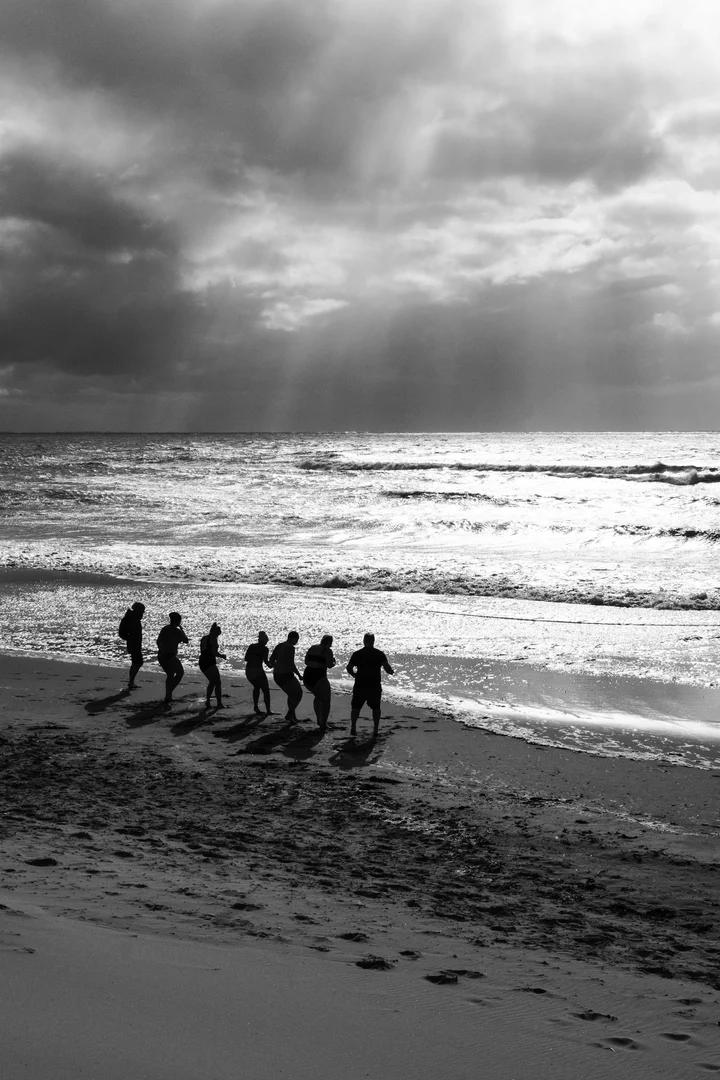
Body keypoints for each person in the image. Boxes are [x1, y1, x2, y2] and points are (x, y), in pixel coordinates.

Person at [346, 633, 394, 740]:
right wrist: (391, 671)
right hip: (374, 685)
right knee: (376, 708)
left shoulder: (357, 654)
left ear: (364, 641)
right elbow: (387, 668)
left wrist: (355, 675)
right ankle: (376, 729)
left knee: (356, 707)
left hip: (360, 684)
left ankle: (353, 727)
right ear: (373, 641)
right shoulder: (379, 654)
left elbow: (349, 667)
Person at [302, 634, 336, 734]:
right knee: (326, 701)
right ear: (330, 642)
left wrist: (316, 662)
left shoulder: (313, 647)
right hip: (319, 676)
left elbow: (306, 661)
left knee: (318, 697)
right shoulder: (328, 651)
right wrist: (334, 662)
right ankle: (323, 723)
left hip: (307, 675)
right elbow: (329, 665)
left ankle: (318, 719)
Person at [269, 631, 303, 722]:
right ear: (293, 638)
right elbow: (291, 664)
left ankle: (292, 716)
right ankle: (290, 714)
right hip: (286, 675)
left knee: (292, 694)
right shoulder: (290, 648)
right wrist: (299, 675)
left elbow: (271, 660)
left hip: (277, 675)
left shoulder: (280, 645)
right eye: (297, 639)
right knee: (298, 693)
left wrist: (277, 666)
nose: (297, 641)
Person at [156, 611, 189, 707]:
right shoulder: (177, 630)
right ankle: (168, 693)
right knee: (180, 673)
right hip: (170, 655)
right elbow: (186, 640)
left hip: (162, 655)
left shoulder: (165, 629)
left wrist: (162, 649)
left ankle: (168, 695)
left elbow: (158, 641)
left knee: (170, 675)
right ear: (178, 621)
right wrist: (182, 629)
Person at [244, 631, 272, 716]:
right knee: (266, 690)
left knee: (257, 687)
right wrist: (273, 665)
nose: (267, 642)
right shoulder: (265, 649)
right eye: (266, 640)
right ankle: (268, 710)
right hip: (258, 671)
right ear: (264, 640)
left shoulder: (252, 646)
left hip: (249, 671)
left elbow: (246, 658)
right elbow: (267, 663)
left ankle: (256, 707)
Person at [119, 601, 145, 690]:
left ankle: (131, 681)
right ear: (138, 610)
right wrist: (130, 638)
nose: (143, 613)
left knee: (136, 662)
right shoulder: (130, 618)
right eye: (142, 611)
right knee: (138, 662)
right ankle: (131, 682)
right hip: (133, 643)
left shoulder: (133, 617)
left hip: (135, 643)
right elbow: (121, 633)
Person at [199, 622, 226, 709]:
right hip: (209, 662)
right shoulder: (213, 639)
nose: (218, 635)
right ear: (216, 632)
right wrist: (222, 655)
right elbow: (214, 653)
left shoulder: (204, 638)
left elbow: (204, 650)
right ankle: (219, 703)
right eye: (218, 633)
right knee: (217, 682)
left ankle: (208, 701)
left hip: (202, 661)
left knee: (212, 681)